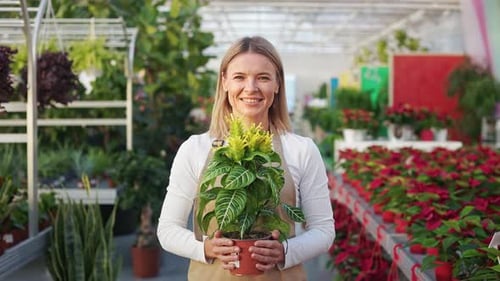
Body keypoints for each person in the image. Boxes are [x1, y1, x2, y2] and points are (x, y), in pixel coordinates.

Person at [157, 36, 335, 280]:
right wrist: (205, 248)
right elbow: (167, 229)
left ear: (277, 84)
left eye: (263, 77)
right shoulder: (195, 148)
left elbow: (324, 230)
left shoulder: (301, 150)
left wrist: (285, 251)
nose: (251, 88)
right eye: (239, 77)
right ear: (225, 82)